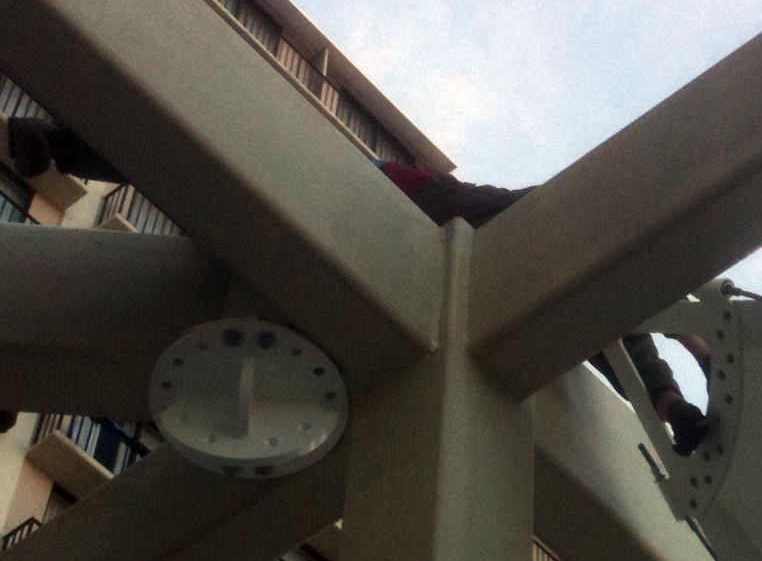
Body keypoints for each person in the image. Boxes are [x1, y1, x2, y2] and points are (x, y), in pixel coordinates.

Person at [5, 119, 715, 453]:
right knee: (218, 174)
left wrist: (668, 393)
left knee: (161, 308)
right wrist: (672, 376)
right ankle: (59, 148)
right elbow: (576, 236)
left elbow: (602, 291)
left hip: (353, 290)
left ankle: (19, 367)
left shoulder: (517, 243)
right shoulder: (485, 216)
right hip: (372, 227)